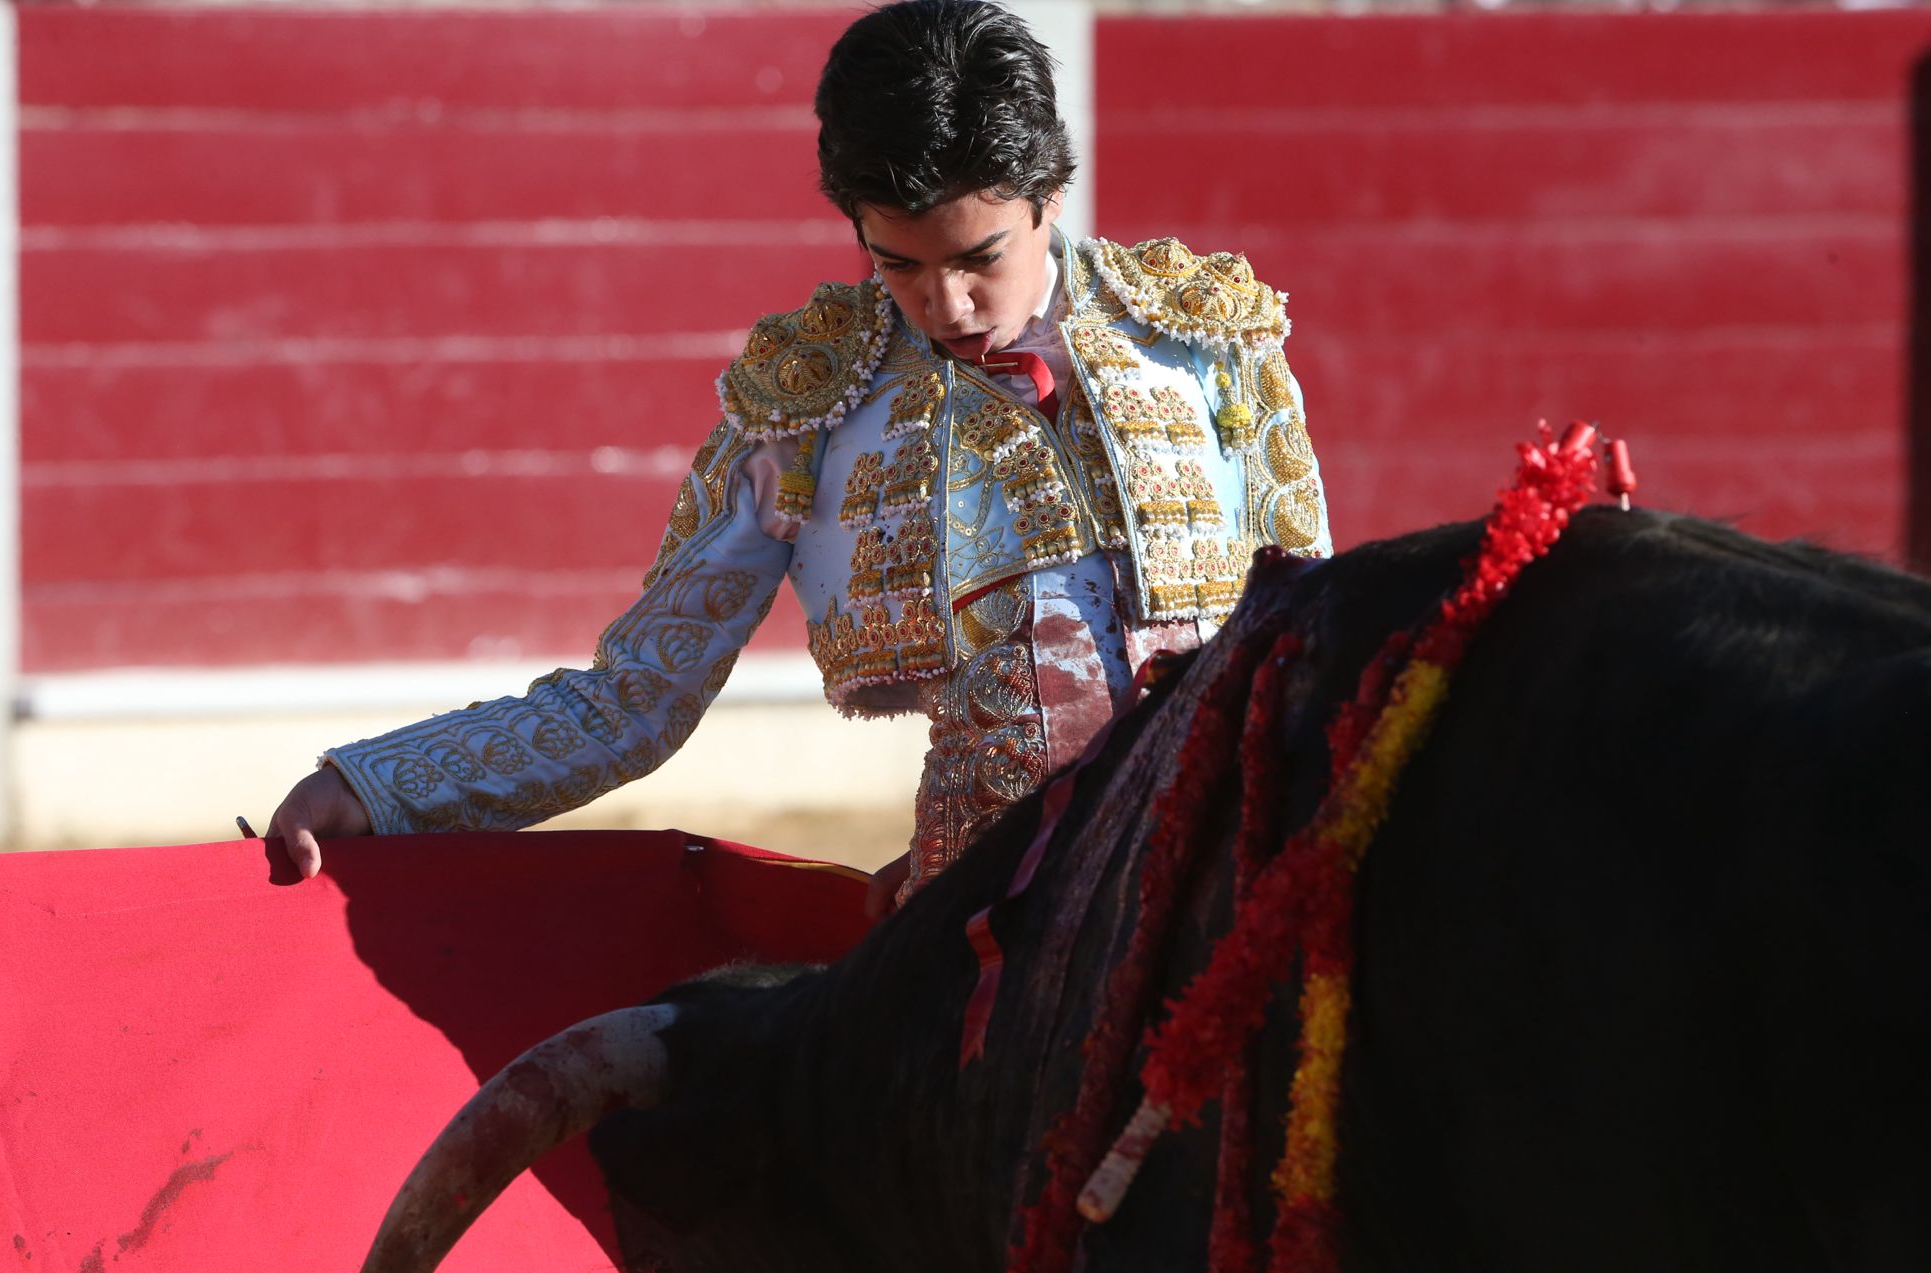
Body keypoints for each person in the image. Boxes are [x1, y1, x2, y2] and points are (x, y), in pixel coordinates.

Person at [266, 0, 1330, 912]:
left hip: (1231, 871)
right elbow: (634, 696)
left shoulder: (1200, 337)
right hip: (990, 912)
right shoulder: (804, 404)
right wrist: (376, 786)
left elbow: (1309, 630)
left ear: (1048, 199)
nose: (946, 306)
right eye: (898, 264)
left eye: (978, 259)